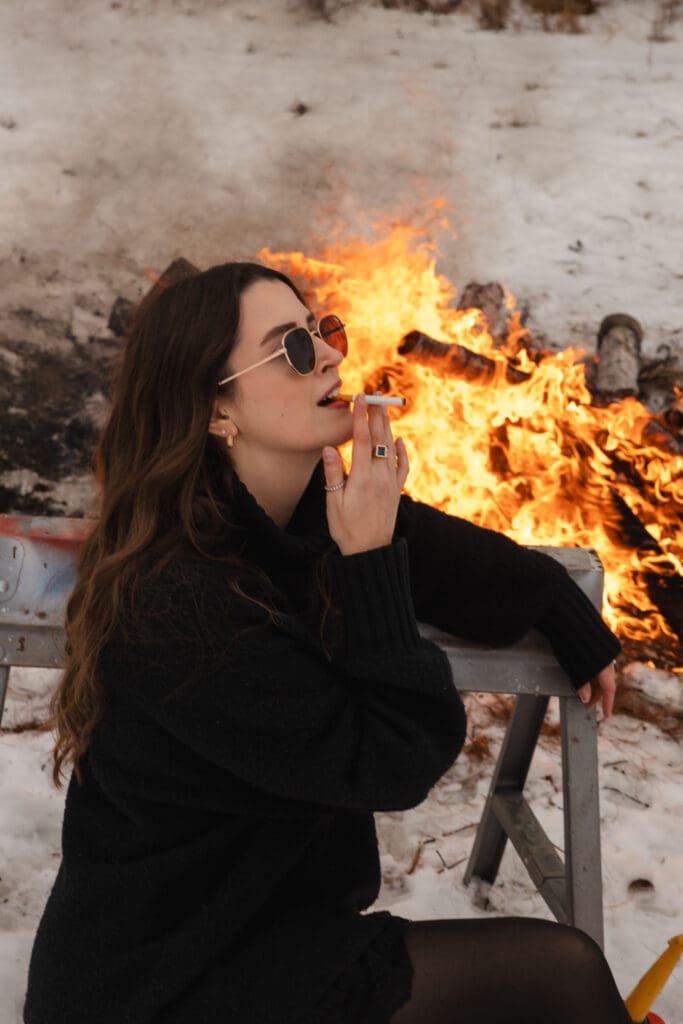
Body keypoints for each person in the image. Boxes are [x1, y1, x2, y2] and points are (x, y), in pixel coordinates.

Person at [24, 261, 634, 1024]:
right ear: (218, 413)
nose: (334, 356)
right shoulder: (177, 605)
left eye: (325, 331)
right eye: (293, 349)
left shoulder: (289, 510)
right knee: (560, 976)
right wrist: (370, 564)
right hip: (164, 983)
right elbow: (392, 760)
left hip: (269, 935)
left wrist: (557, 601)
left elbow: (441, 554)